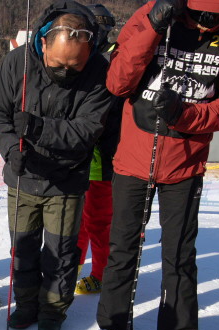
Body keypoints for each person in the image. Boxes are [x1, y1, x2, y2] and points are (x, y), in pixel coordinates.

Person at [92, 0, 219, 330]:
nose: (208, 24)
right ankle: (113, 322)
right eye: (201, 15)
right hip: (134, 158)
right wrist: (153, 26)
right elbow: (118, 81)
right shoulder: (153, 13)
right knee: (123, 245)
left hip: (186, 162)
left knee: (180, 252)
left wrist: (184, 114)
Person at [0, 0, 113, 330]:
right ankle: (26, 304)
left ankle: (53, 309)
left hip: (67, 180)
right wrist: (11, 148)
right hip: (23, 176)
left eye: (75, 66)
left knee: (60, 253)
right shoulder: (18, 62)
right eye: (58, 64)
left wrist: (38, 128)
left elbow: (87, 130)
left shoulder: (99, 71)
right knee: (23, 249)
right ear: (42, 41)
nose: (66, 72)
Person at [75, 3, 123, 297]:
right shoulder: (83, 59)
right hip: (77, 158)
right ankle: (69, 272)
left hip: (103, 161)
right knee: (74, 222)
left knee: (99, 223)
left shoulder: (114, 61)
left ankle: (101, 274)